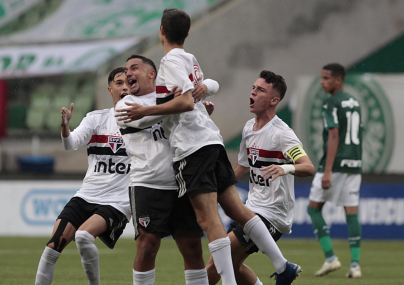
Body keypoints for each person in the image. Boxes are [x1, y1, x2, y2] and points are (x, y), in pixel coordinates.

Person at [116, 8, 302, 285]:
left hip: (192, 148)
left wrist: (146, 113)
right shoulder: (189, 59)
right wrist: (204, 91)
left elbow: (186, 101)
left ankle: (229, 283)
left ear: (161, 32)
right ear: (188, 34)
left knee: (208, 221)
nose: (129, 75)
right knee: (237, 210)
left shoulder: (169, 62)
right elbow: (196, 94)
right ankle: (282, 265)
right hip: (209, 141)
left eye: (134, 68)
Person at [116, 54, 219, 285]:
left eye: (134, 68)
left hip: (182, 181)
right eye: (125, 71)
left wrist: (195, 104)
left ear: (152, 74)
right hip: (148, 183)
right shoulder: (125, 105)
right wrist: (187, 107)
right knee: (147, 246)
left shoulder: (171, 97)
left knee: (192, 246)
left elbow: (212, 85)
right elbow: (148, 119)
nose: (128, 74)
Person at [206, 70, 315, 285]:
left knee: (216, 262)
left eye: (261, 90)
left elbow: (308, 167)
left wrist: (285, 169)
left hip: (272, 215)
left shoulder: (282, 133)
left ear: (274, 100)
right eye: (253, 88)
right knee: (234, 267)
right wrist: (217, 192)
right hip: (250, 210)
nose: (253, 93)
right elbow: (241, 166)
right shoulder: (249, 128)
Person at [35, 67, 132, 285]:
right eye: (118, 82)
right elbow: (71, 143)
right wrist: (65, 128)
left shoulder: (143, 122)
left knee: (83, 236)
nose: (124, 86)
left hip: (118, 200)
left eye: (128, 82)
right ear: (109, 89)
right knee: (52, 248)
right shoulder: (96, 119)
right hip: (87, 195)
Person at [307, 63, 363, 278]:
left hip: (335, 163)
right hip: (354, 164)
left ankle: (331, 259)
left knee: (313, 209)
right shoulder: (354, 102)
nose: (322, 82)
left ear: (338, 80)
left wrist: (327, 170)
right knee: (351, 212)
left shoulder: (331, 102)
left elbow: (333, 135)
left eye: (326, 78)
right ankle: (355, 266)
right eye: (322, 78)